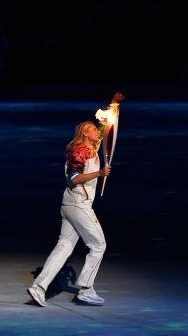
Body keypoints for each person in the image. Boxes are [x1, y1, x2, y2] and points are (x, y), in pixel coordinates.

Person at [27, 120, 111, 307]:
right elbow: (74, 179)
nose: (97, 132)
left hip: (70, 205)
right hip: (79, 205)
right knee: (98, 245)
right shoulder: (79, 152)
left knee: (63, 247)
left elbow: (103, 130)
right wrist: (99, 173)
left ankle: (38, 287)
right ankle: (86, 290)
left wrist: (113, 105)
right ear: (84, 134)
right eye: (92, 130)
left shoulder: (91, 148)